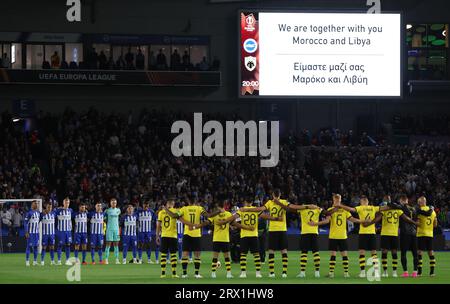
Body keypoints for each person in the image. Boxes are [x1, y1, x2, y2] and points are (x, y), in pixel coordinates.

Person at [310, 194, 369, 278]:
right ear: (334, 200)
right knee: (339, 255)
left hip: (337, 236)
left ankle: (337, 273)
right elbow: (352, 220)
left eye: (337, 199)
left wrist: (315, 224)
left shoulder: (331, 210)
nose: (337, 201)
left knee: (338, 255)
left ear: (338, 200)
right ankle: (343, 273)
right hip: (339, 236)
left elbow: (327, 221)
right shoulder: (342, 210)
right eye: (336, 199)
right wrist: (363, 221)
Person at [239, 189, 293, 278]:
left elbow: (261, 209)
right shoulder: (284, 201)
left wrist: (247, 209)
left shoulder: (270, 202)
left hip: (273, 230)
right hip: (282, 229)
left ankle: (272, 273)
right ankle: (284, 273)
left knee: (271, 251)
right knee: (283, 250)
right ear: (280, 194)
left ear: (273, 194)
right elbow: (288, 209)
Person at [164, 196, 219, 278]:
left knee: (185, 254)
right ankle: (197, 274)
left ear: (188, 201)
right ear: (195, 201)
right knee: (197, 255)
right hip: (196, 234)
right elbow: (208, 215)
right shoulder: (199, 208)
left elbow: (174, 216)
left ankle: (184, 274)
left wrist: (166, 209)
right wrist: (218, 211)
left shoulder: (184, 209)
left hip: (187, 234)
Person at [338, 195, 390, 278]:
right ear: (368, 202)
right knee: (374, 253)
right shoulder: (373, 208)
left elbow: (351, 209)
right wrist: (392, 204)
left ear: (361, 202)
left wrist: (340, 205)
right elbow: (385, 208)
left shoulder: (360, 208)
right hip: (372, 233)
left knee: (362, 253)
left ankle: (362, 272)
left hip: (363, 233)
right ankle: (376, 272)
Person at [367, 195, 418, 278]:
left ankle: (385, 272)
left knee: (384, 253)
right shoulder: (398, 209)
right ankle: (394, 272)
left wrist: (369, 224)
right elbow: (406, 218)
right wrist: (414, 223)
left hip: (385, 233)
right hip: (394, 234)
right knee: (394, 253)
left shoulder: (384, 209)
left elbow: (377, 219)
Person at [233, 197, 282, 278]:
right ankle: (258, 273)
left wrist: (242, 226)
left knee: (243, 255)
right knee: (256, 255)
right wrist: (276, 218)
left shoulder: (241, 210)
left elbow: (233, 221)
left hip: (244, 235)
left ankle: (243, 273)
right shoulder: (256, 209)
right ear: (252, 202)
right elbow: (265, 216)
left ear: (245, 201)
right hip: (254, 235)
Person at [156, 197, 180, 278]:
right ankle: (173, 273)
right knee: (173, 255)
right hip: (172, 236)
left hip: (165, 236)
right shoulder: (176, 211)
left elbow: (158, 225)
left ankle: (163, 274)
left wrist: (157, 236)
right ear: (172, 204)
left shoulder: (161, 212)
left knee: (164, 255)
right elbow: (159, 225)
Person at [416, 196, 437, 277]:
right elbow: (435, 224)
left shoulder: (420, 211)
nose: (418, 204)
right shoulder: (433, 212)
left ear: (421, 202)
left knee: (420, 252)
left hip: (421, 233)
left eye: (419, 202)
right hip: (430, 234)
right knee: (431, 252)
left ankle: (419, 273)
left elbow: (418, 222)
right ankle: (432, 272)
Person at [54, 197, 73, 265]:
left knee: (68, 245)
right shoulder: (58, 210)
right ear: (63, 203)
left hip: (68, 231)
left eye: (68, 203)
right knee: (60, 245)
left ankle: (67, 260)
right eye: (65, 203)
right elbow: (53, 214)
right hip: (61, 231)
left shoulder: (70, 210)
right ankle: (59, 261)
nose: (67, 204)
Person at [104, 198, 121, 264]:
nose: (114, 204)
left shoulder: (118, 210)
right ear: (110, 203)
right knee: (108, 244)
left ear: (116, 203)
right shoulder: (107, 211)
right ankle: (106, 259)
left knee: (116, 245)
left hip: (116, 229)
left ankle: (117, 259)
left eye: (115, 203)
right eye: (112, 203)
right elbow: (104, 219)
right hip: (109, 229)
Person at [24, 200, 40, 266]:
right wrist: (26, 232)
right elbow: (25, 223)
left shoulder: (38, 212)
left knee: (36, 247)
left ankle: (35, 261)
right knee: (29, 247)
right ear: (32, 205)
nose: (36, 204)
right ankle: (27, 261)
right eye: (34, 203)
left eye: (36, 203)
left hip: (36, 233)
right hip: (30, 233)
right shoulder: (29, 213)